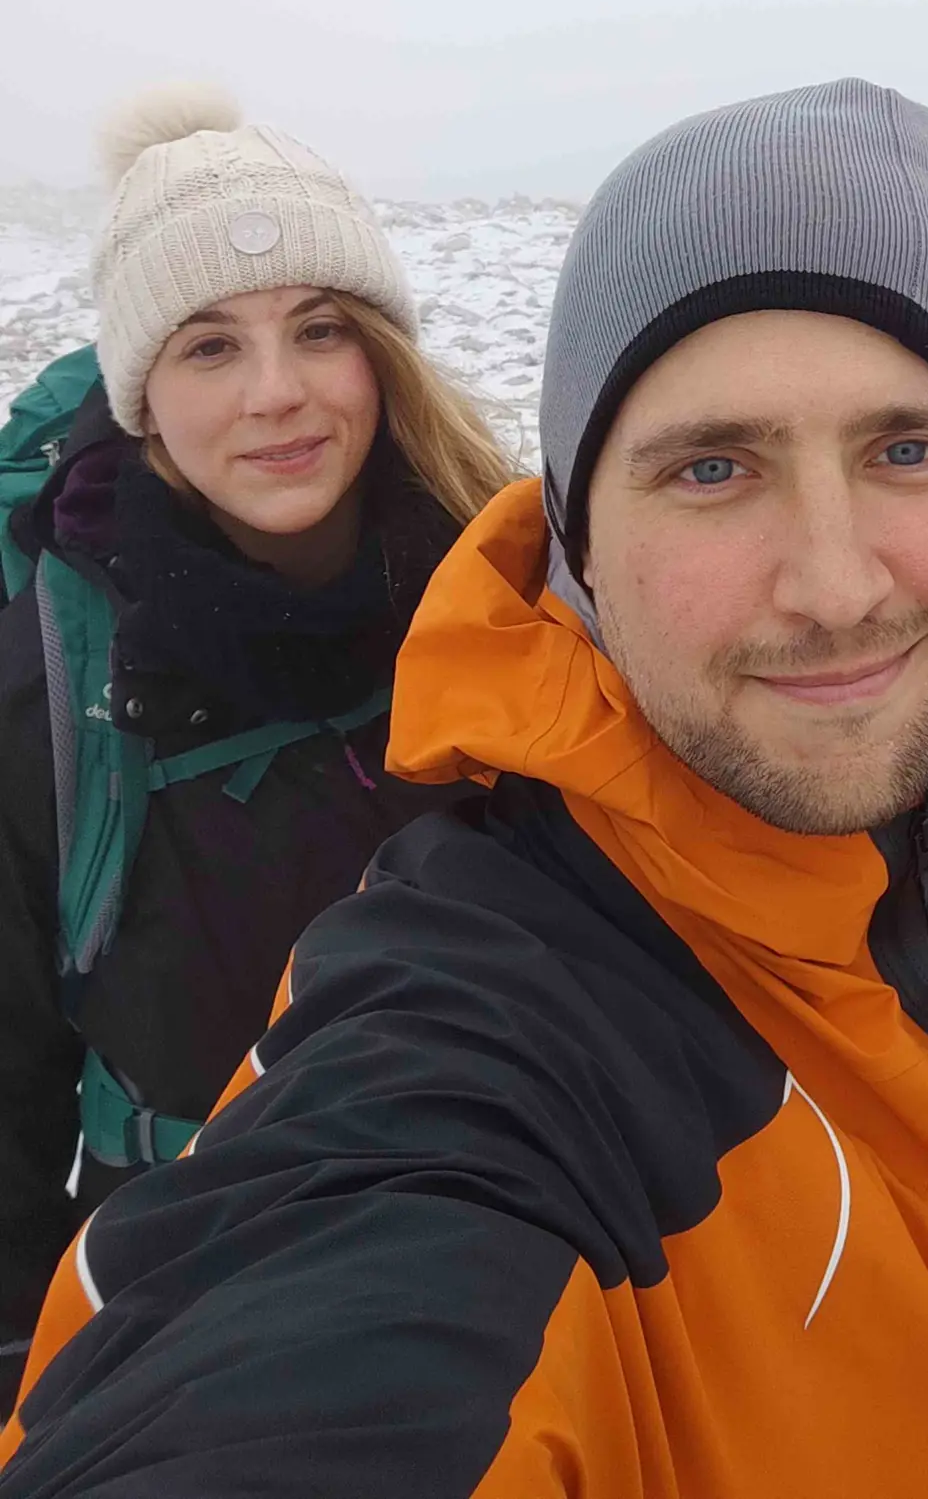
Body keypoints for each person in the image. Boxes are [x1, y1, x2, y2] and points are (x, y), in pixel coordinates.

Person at [0, 79, 928, 1496]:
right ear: (579, 551)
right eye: (714, 467)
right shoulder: (505, 1018)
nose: (836, 587)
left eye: (908, 448)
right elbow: (325, 1307)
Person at [0, 85, 511, 1415]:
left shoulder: (510, 592)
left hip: (504, 1264)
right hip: (183, 1307)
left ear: (381, 354)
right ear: (142, 398)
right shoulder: (52, 679)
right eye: (211, 346)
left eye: (320, 329)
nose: (277, 395)